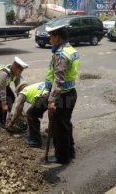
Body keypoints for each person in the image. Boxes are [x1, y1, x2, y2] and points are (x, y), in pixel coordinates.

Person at [44, 24, 80, 164]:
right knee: (66, 124)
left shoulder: (61, 55)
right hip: (70, 92)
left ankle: (62, 157)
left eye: (51, 36)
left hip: (62, 96)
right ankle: (70, 151)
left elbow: (59, 80)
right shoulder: (71, 50)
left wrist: (52, 100)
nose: (50, 39)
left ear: (57, 37)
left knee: (59, 129)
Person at [0, 56, 28, 128]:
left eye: (22, 70)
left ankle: (6, 116)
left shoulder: (17, 74)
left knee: (11, 97)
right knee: (0, 101)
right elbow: (2, 90)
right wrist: (4, 104)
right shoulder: (4, 74)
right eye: (20, 70)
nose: (20, 72)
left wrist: (20, 102)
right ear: (15, 67)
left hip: (2, 84)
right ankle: (1, 122)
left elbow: (18, 87)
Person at [8, 82, 48, 147]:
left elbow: (17, 109)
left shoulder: (23, 92)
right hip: (61, 93)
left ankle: (35, 141)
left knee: (30, 115)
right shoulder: (34, 87)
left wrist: (12, 122)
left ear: (19, 91)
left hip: (46, 95)